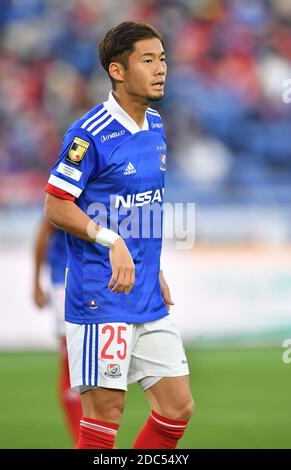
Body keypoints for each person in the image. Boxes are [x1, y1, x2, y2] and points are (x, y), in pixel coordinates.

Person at [44, 21, 195, 449]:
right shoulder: (88, 134)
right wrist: (113, 242)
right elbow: (55, 206)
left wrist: (155, 266)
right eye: (148, 61)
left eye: (162, 59)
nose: (161, 68)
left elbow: (142, 206)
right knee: (105, 417)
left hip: (146, 291)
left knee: (177, 407)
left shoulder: (155, 126)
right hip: (101, 294)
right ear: (117, 70)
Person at [33, 218, 82, 445]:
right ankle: (83, 441)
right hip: (64, 283)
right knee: (71, 361)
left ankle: (93, 438)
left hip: (92, 282)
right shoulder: (69, 187)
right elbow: (42, 233)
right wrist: (35, 282)